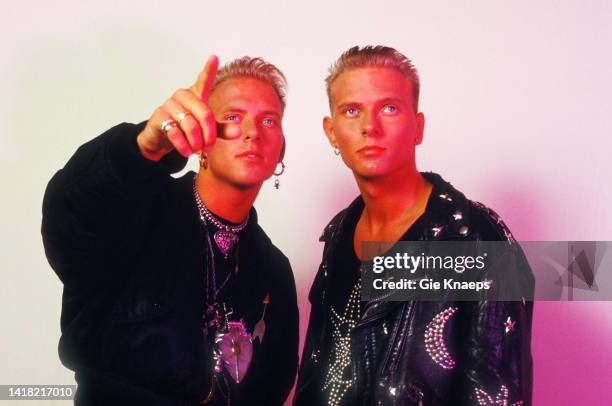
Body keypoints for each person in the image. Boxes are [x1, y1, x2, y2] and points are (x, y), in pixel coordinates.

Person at [42, 55, 298, 405]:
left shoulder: (274, 270)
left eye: (269, 120)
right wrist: (143, 146)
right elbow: (68, 216)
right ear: (203, 138)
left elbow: (275, 384)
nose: (253, 132)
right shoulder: (137, 208)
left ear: (280, 149)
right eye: (234, 117)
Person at [294, 46, 534, 405]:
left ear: (417, 127)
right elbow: (315, 377)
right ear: (331, 132)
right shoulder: (338, 234)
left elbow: (498, 392)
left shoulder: (475, 237)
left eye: (388, 108)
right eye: (351, 111)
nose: (369, 127)